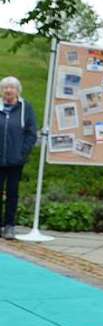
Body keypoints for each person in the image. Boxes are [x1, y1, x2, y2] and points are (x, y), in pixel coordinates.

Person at [0, 76, 36, 240]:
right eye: (5, 87)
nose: (8, 90)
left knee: (13, 192)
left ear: (17, 90)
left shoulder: (25, 108)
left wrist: (22, 153)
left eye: (12, 87)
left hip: (16, 160)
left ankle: (9, 226)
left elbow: (31, 133)